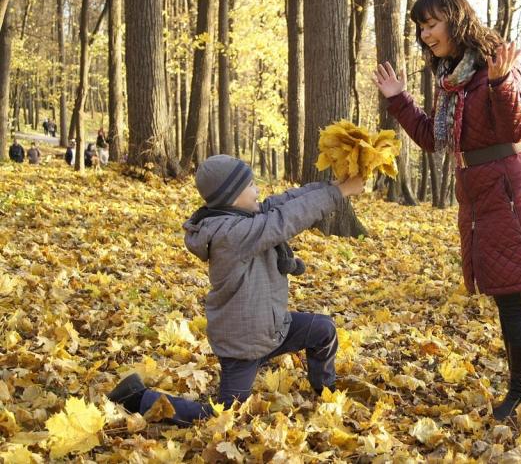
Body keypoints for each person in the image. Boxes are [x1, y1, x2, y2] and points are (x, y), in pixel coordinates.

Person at [372, 0, 521, 421]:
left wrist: (500, 84)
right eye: (420, 27)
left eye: (431, 24)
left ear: (455, 20)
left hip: (508, 191)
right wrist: (399, 99)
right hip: (479, 192)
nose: (425, 34)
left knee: (512, 295)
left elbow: (516, 126)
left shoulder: (494, 64)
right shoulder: (453, 75)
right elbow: (433, 140)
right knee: (506, 293)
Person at [107, 154, 365, 425]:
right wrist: (340, 193)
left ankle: (324, 390)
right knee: (224, 416)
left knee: (323, 330)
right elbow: (287, 219)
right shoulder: (231, 234)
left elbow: (285, 202)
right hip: (242, 345)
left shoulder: (240, 217)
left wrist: (330, 186)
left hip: (272, 329)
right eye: (251, 185)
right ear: (231, 197)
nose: (257, 191)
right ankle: (138, 398)